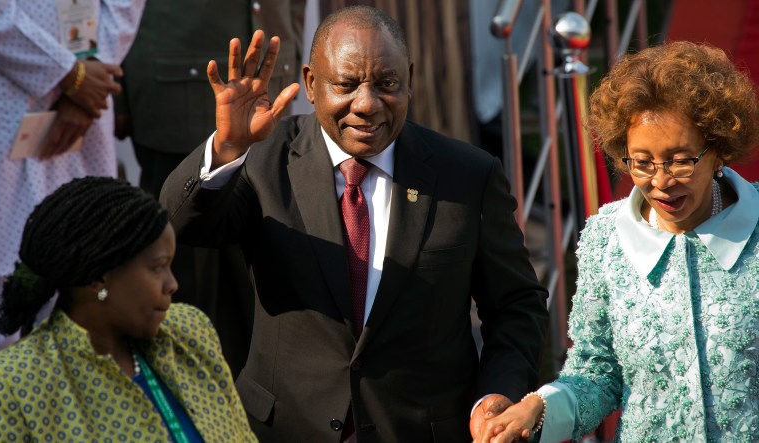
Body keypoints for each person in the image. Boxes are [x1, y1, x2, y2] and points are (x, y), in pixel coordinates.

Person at [161, 5, 549, 442]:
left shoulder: (467, 176)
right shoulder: (263, 160)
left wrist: (497, 393)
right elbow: (180, 227)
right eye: (345, 85)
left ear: (409, 78)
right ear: (311, 84)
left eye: (387, 84)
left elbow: (516, 305)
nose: (366, 104)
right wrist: (226, 148)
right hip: (286, 430)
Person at [473, 41, 759, 443]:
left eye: (680, 160)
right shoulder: (606, 238)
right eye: (642, 162)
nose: (660, 181)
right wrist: (537, 409)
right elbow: (597, 374)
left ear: (719, 151)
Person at [114, 0, 306, 374]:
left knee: (264, 277)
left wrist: (292, 52)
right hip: (177, 95)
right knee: (184, 282)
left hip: (268, 91)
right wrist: (117, 91)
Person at [0, 176, 257, 442]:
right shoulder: (12, 384)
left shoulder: (190, 330)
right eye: (158, 267)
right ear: (98, 278)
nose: (172, 284)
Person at [0, 0, 145, 352]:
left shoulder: (87, 87)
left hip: (88, 103)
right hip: (3, 94)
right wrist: (68, 75)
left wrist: (91, 78)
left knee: (82, 286)